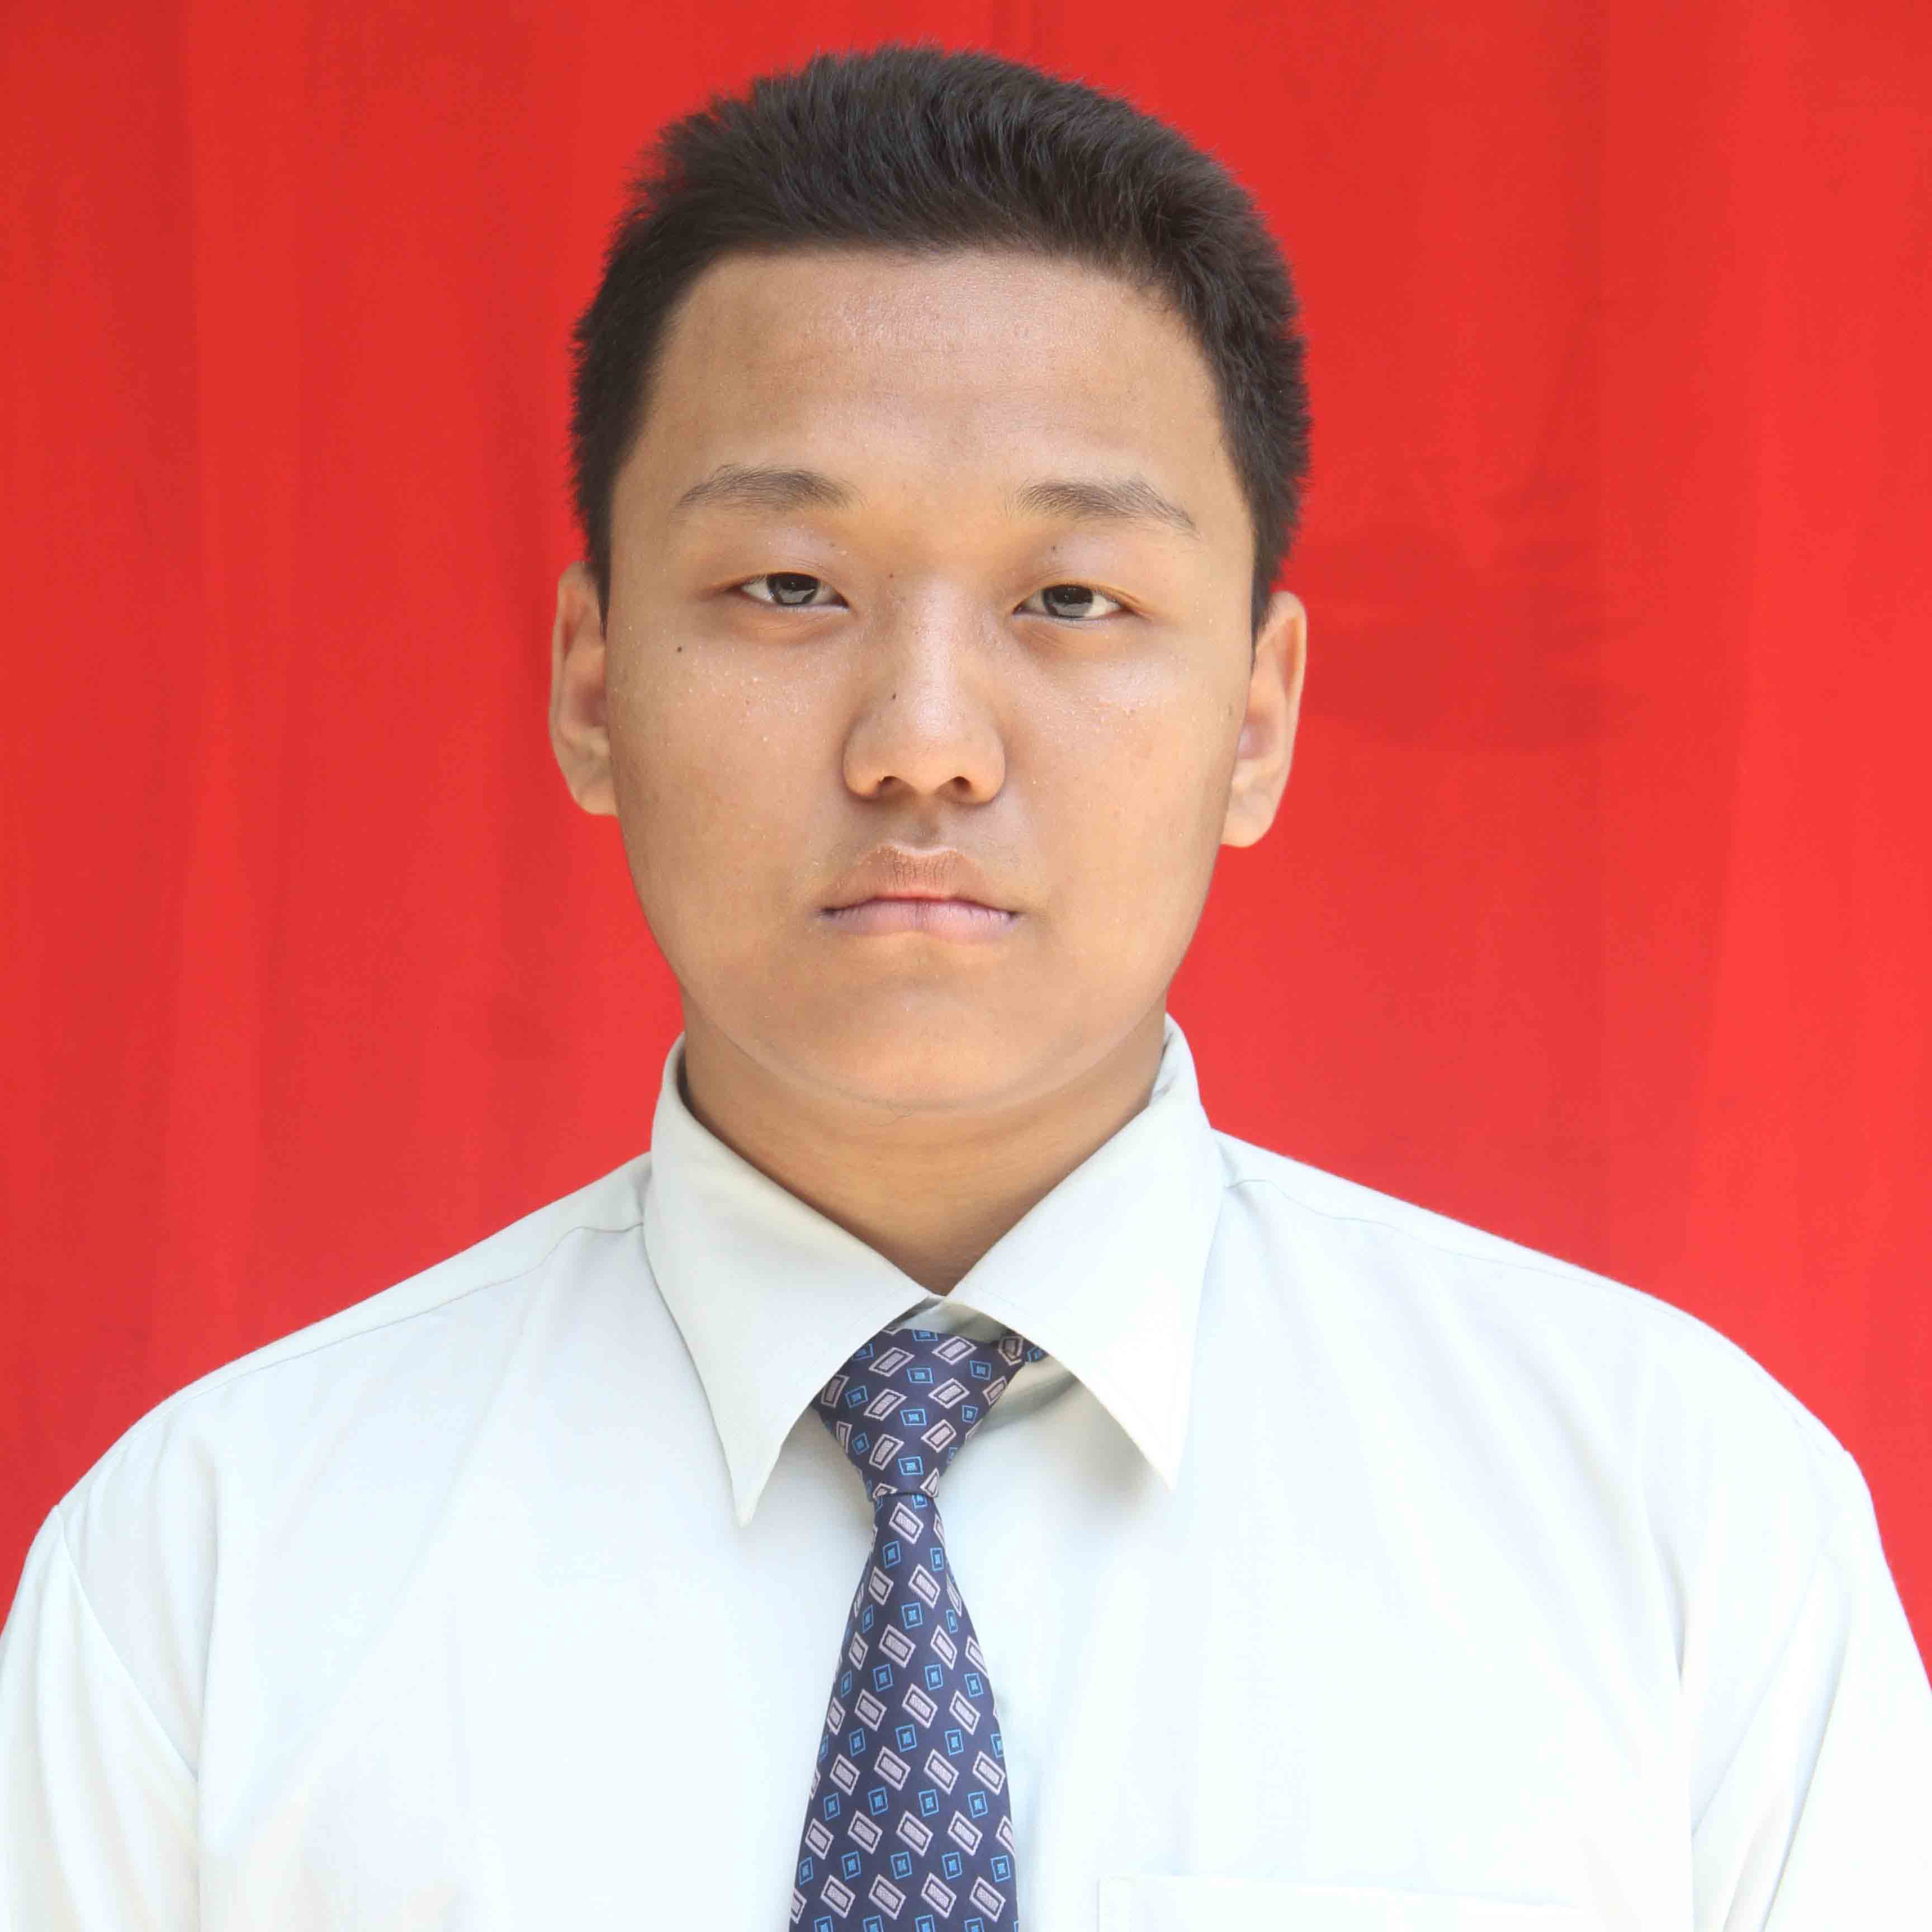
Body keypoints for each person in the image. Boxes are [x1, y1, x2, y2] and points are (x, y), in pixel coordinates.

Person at [3, 39, 1927, 1932]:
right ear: (592, 682)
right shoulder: (208, 1583)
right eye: (789, 588)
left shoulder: (1681, 1536)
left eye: (1072, 600)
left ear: (1258, 720)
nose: (923, 743)